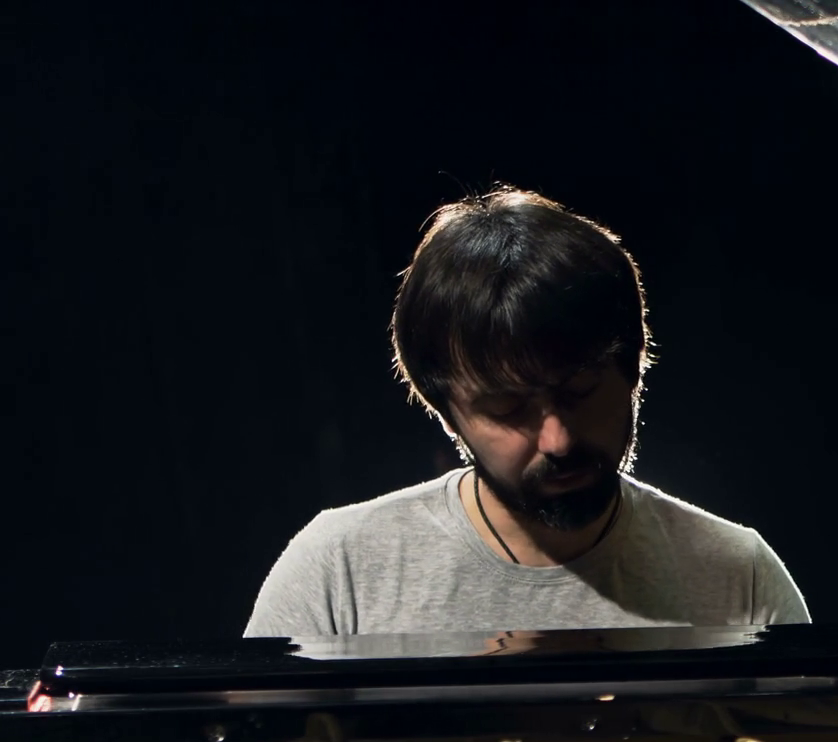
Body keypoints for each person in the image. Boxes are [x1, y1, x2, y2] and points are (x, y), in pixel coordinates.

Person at [245, 188, 808, 636]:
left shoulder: (740, 576)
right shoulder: (339, 571)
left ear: (634, 368)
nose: (558, 439)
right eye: (509, 409)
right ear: (447, 413)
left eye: (581, 390)